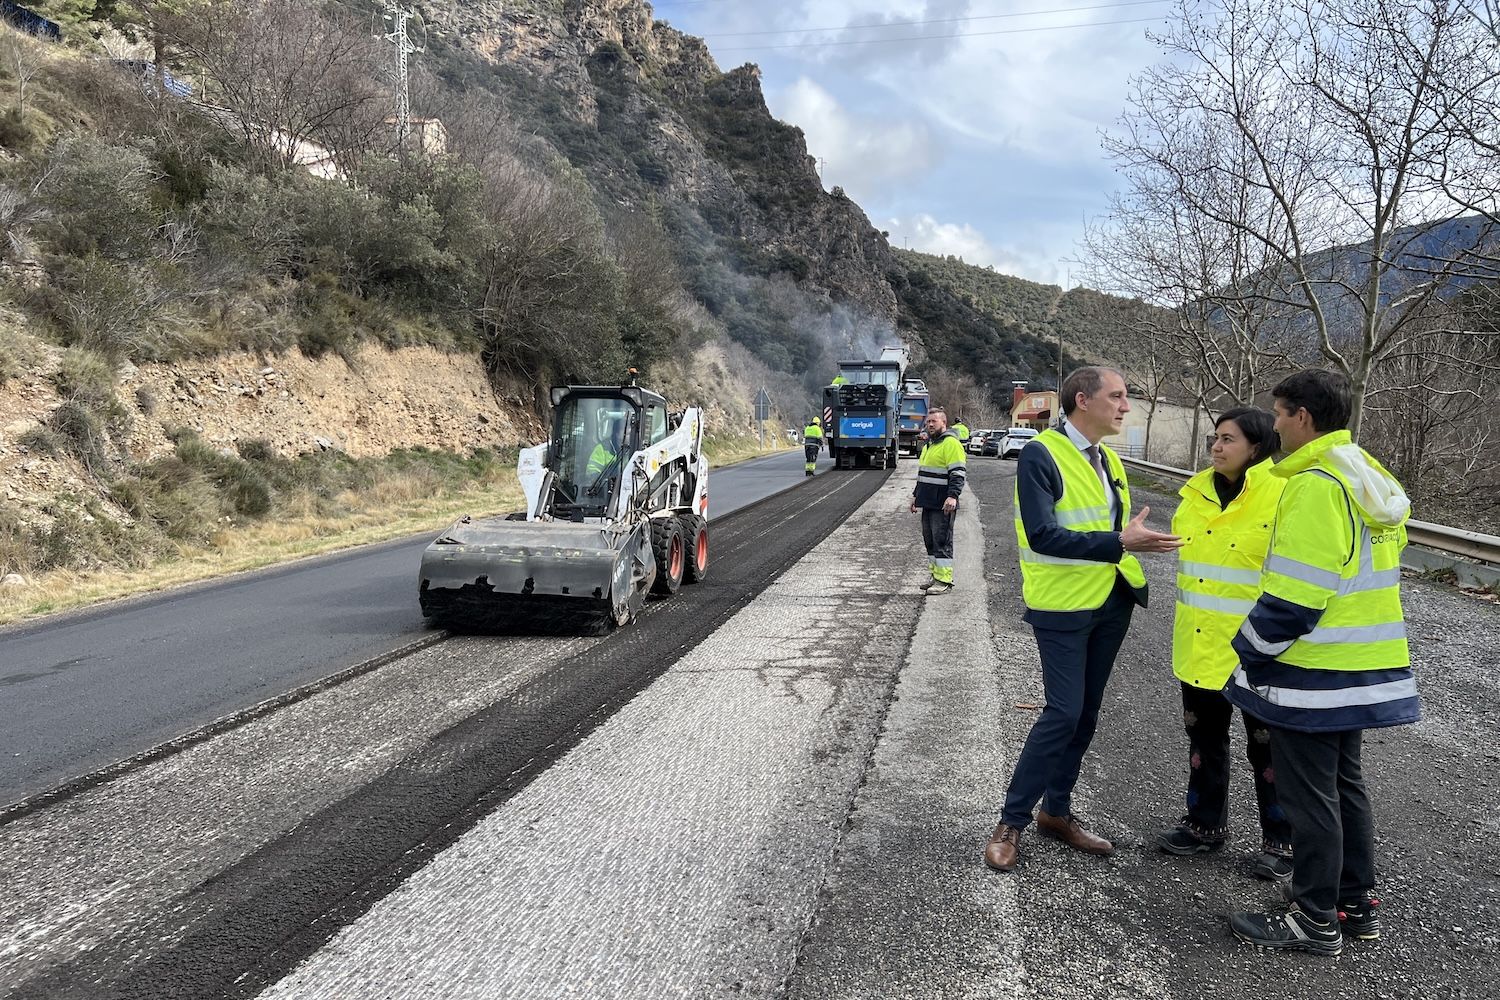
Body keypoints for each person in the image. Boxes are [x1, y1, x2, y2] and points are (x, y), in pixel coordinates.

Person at [1226, 370, 1417, 956]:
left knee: (1311, 797)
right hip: (1365, 661)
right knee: (1344, 785)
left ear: (1303, 417)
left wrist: (1249, 650)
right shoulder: (1369, 475)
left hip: (1312, 669)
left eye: (1280, 414)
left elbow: (1296, 594)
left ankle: (1314, 920)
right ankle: (1353, 904)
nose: (1275, 424)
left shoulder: (1314, 484)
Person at [984, 366, 1183, 872]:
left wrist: (1131, 543)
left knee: (1087, 714)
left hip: (1110, 601)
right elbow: (1042, 535)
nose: (1125, 406)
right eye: (1116, 396)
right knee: (1064, 712)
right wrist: (1120, 541)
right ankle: (1011, 821)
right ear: (1082, 399)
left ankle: (1057, 811)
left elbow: (1111, 528)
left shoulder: (1110, 458)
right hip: (1062, 605)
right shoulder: (1040, 454)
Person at [1156, 407, 1293, 881]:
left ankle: (1282, 840)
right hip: (1198, 642)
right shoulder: (1193, 495)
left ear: (1256, 447)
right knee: (1204, 740)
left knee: (1268, 749)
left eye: (1228, 439)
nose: (1216, 446)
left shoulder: (1282, 495)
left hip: (1257, 650)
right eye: (1215, 437)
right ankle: (1204, 824)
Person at [908, 407, 966, 596]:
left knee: (942, 540)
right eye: (928, 422)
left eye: (934, 421)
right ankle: (936, 576)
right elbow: (923, 474)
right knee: (930, 541)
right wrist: (916, 496)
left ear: (944, 423)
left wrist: (953, 496)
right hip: (928, 502)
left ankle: (944, 580)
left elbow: (957, 473)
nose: (930, 424)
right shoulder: (930, 445)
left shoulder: (950, 444)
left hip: (943, 503)